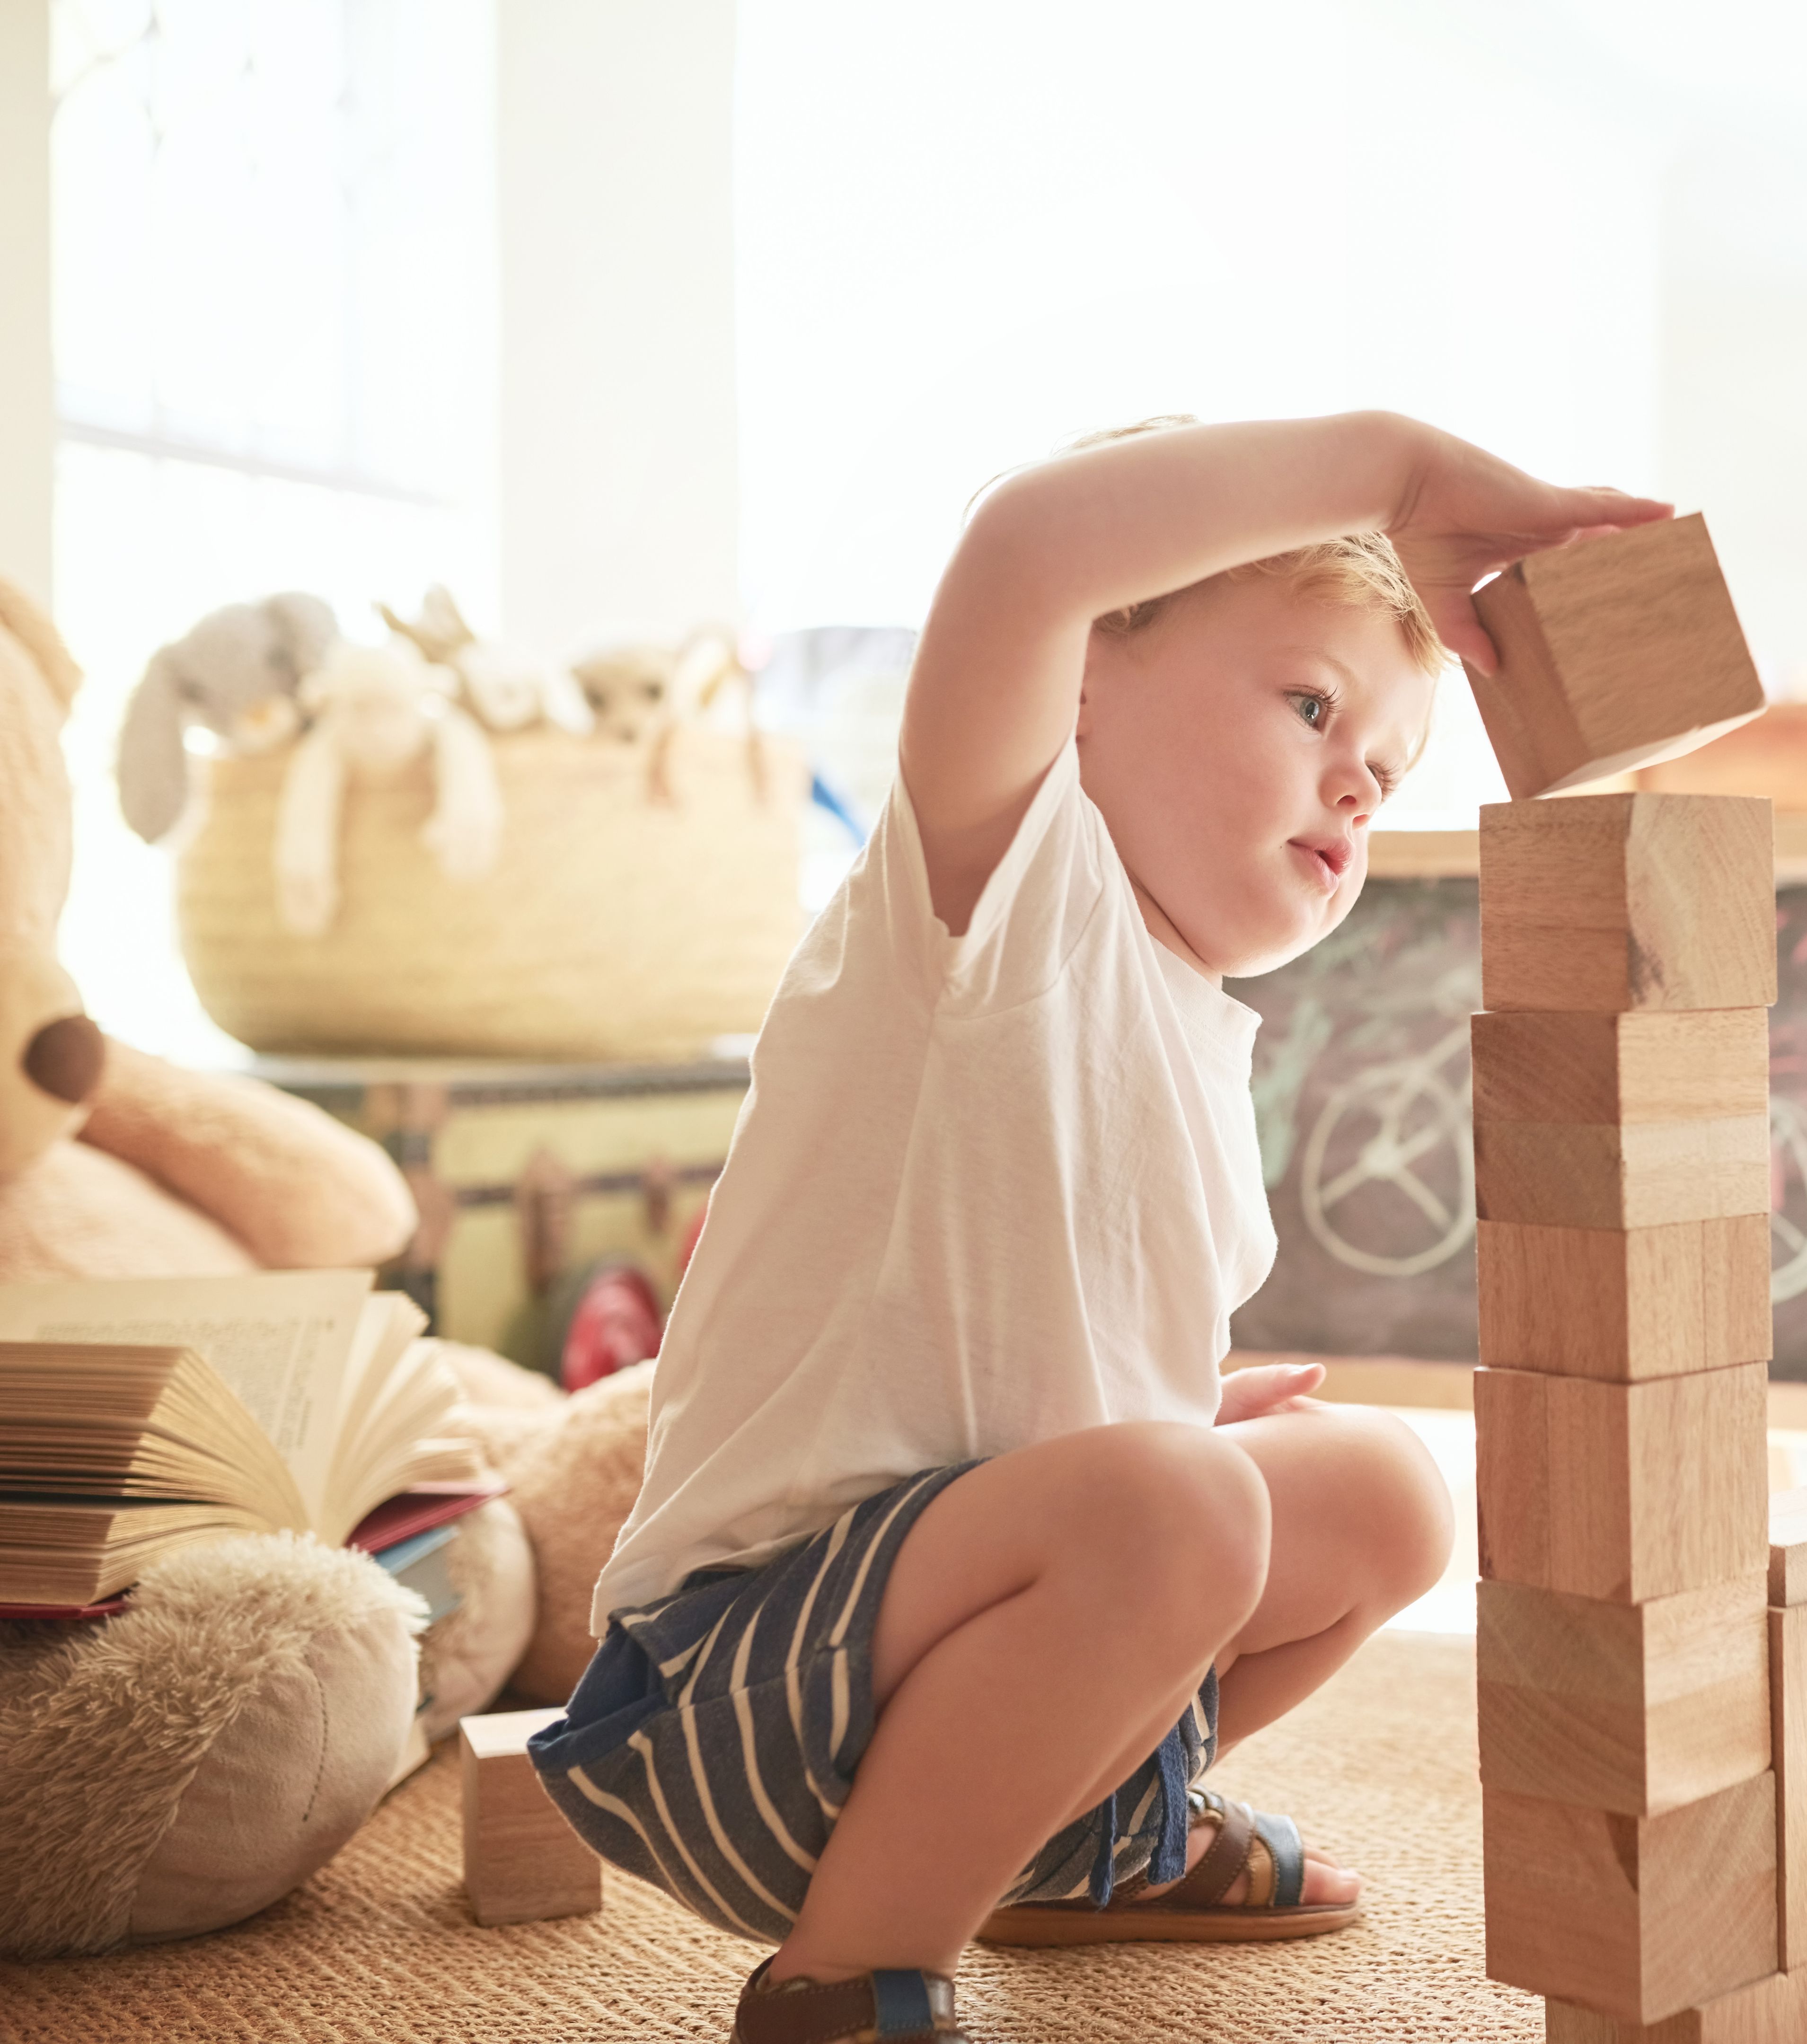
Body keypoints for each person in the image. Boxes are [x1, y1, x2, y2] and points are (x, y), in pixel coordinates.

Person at [524, 413, 1670, 2044]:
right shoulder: (994, 884)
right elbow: (1030, 550)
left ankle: (1080, 1850)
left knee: (1380, 1497)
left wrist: (1160, 1420)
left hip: (944, 1678)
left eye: (1387, 765)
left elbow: (994, 1359)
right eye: (1309, 703)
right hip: (731, 1705)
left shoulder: (1200, 1039)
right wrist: (1401, 483)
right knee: (1181, 1506)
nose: (1356, 775)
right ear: (1080, 684)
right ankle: (842, 1979)